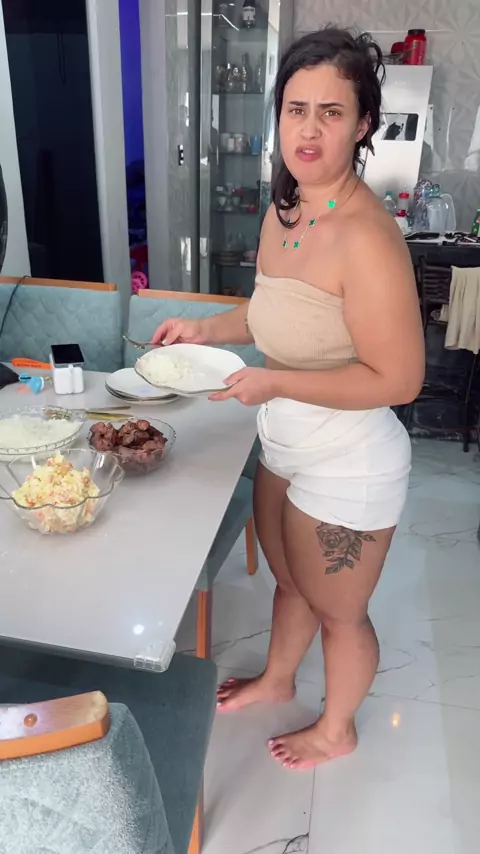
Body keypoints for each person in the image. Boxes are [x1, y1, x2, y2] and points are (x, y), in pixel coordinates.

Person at [152, 27, 424, 770]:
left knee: (339, 609)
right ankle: (277, 678)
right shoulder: (287, 209)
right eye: (295, 109)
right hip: (287, 438)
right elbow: (272, 313)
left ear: (362, 125)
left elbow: (400, 379)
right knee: (289, 579)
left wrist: (274, 381)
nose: (308, 129)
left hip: (349, 456)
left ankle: (338, 728)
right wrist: (202, 328)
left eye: (331, 112)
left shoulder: (367, 237)